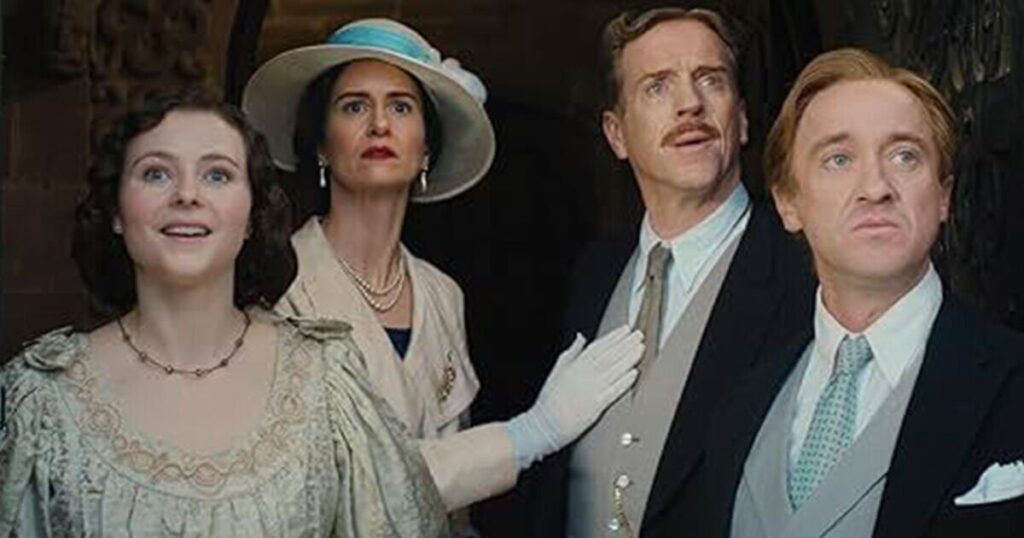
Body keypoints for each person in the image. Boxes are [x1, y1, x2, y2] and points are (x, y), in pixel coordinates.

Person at [241, 17, 644, 523]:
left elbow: (455, 515)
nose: (379, 124)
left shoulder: (442, 294)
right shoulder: (279, 287)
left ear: (426, 149)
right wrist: (530, 434)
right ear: (321, 144)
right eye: (354, 106)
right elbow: (345, 485)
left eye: (401, 107)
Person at [0, 90, 450, 536]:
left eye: (217, 175)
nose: (187, 194)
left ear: (252, 214)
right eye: (155, 173)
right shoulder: (43, 400)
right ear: (116, 210)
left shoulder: (327, 380)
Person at [695, 48, 1024, 538]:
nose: (875, 187)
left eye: (905, 156)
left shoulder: (1014, 381)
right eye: (839, 159)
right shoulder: (739, 406)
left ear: (943, 196)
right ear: (788, 203)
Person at [527, 6, 816, 536]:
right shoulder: (594, 272)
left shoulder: (805, 273)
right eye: (657, 87)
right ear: (616, 134)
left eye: (711, 80)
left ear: (742, 119)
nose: (690, 104)